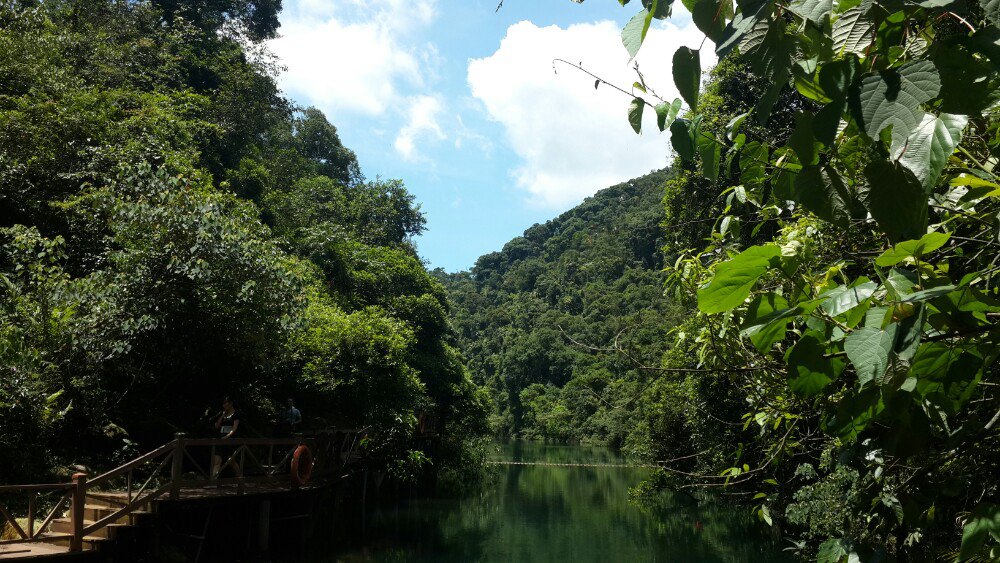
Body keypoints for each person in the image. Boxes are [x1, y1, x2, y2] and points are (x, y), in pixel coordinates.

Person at [212, 396, 242, 479]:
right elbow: (217, 426)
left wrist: (227, 436)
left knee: (231, 460)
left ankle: (239, 477)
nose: (224, 405)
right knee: (217, 461)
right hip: (220, 438)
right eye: (223, 403)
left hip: (230, 439)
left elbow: (234, 428)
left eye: (226, 403)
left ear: (231, 403)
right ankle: (213, 481)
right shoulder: (222, 413)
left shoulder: (236, 414)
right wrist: (222, 415)